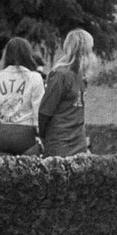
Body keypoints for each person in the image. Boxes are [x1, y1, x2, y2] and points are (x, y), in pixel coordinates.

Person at [0, 36, 44, 156]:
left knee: (3, 172)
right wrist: (41, 134)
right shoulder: (35, 78)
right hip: (25, 135)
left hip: (3, 134)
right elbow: (38, 110)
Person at [38, 29, 94, 157]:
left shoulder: (81, 77)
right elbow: (45, 111)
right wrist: (43, 136)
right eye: (90, 49)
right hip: (59, 144)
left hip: (78, 144)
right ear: (82, 50)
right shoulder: (60, 75)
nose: (92, 54)